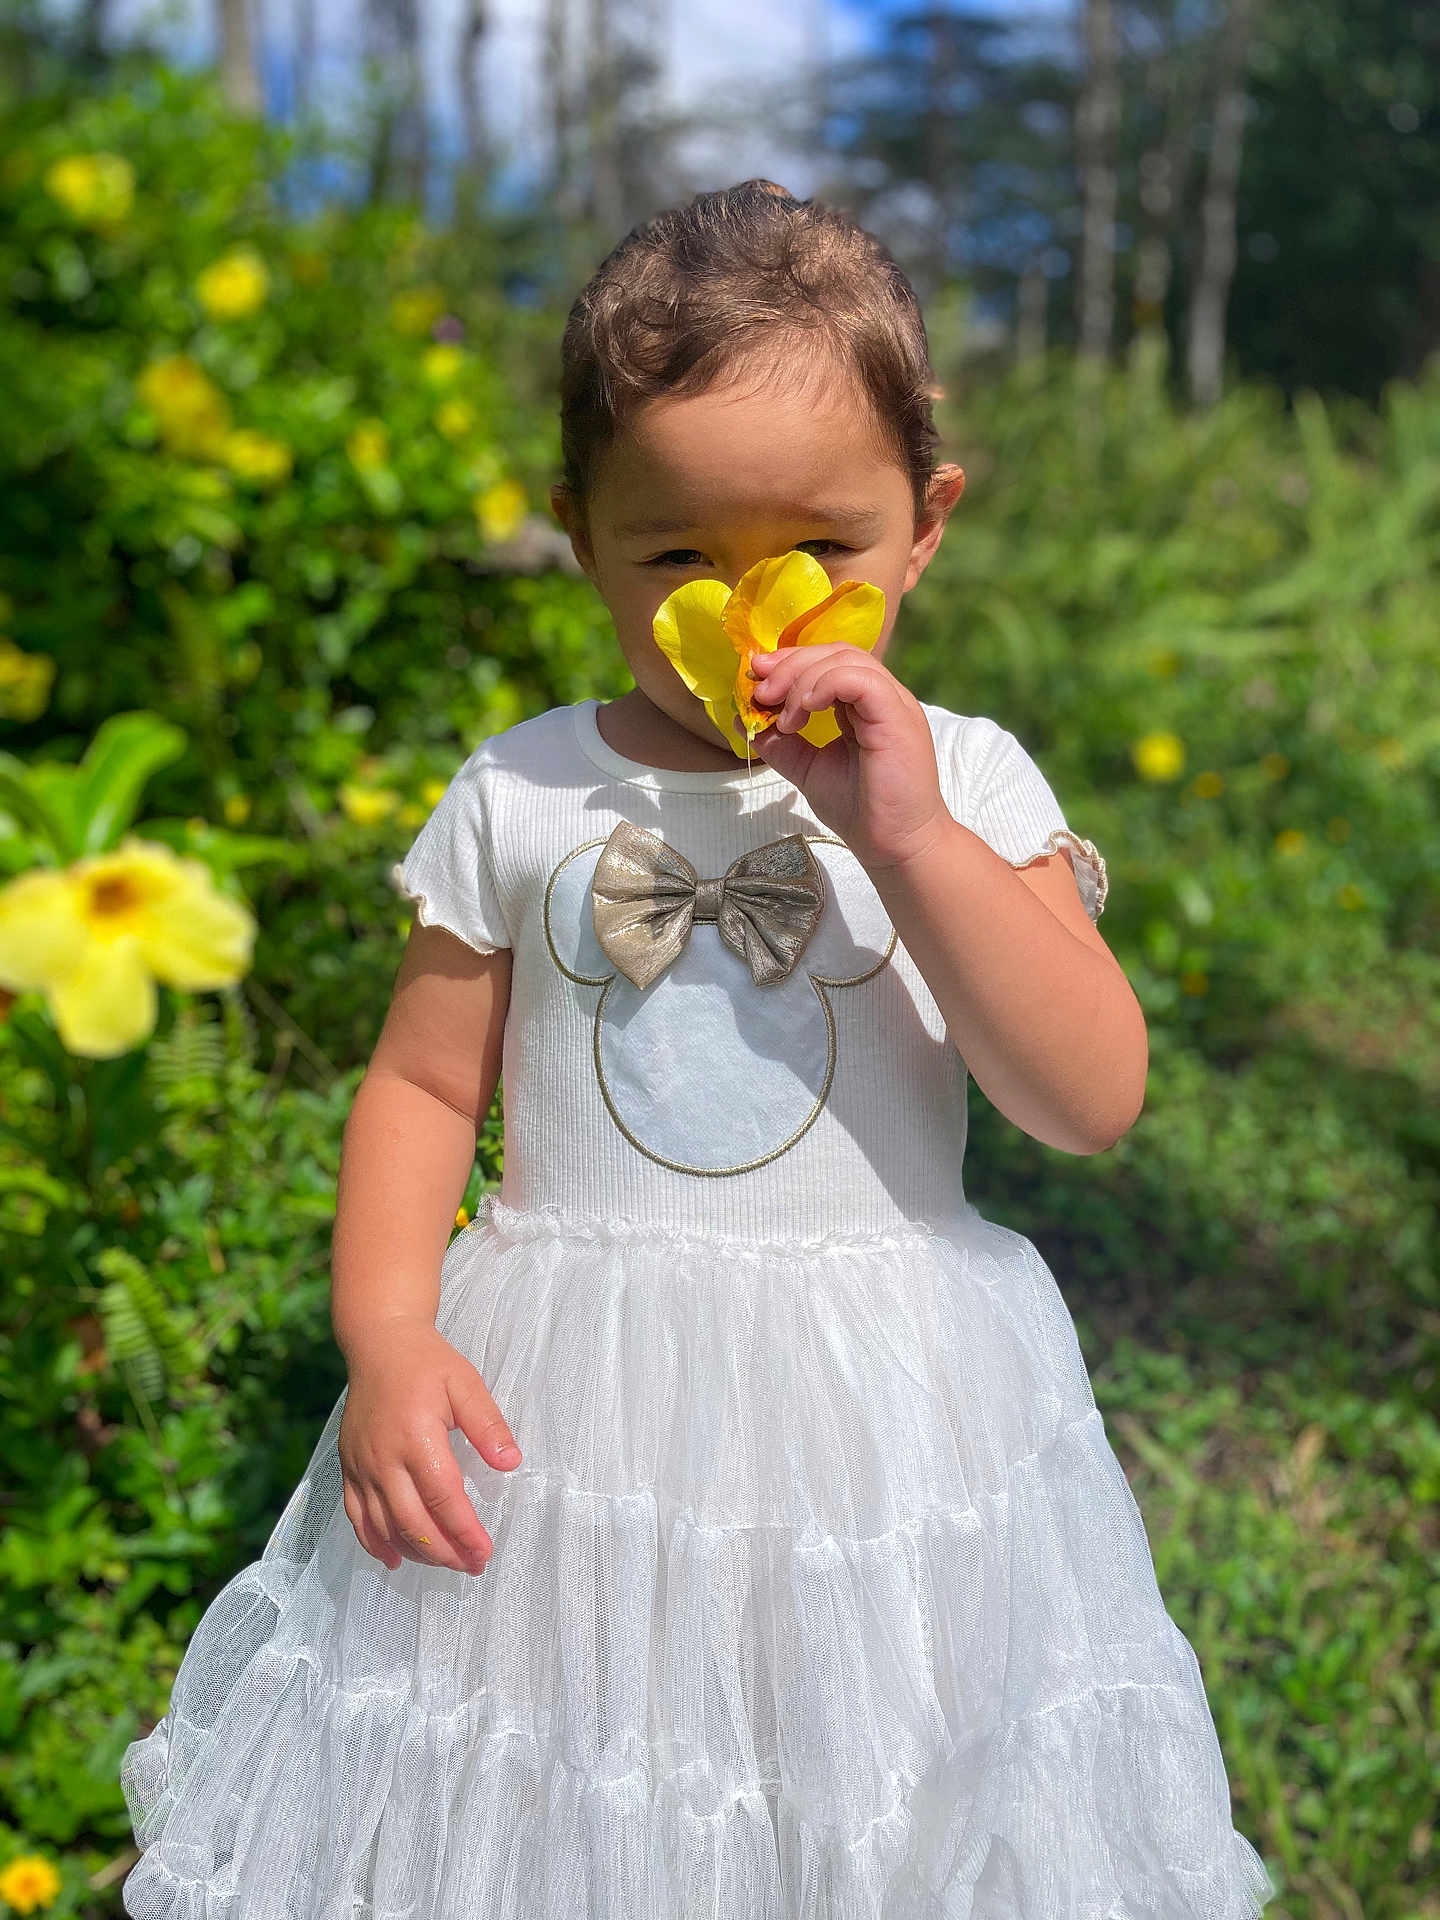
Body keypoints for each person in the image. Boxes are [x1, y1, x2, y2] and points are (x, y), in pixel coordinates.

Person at [119, 179, 1276, 1919]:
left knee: (874, 1779)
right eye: (678, 557)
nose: (751, 613)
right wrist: (386, 1336)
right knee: (567, 1790)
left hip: (889, 1408)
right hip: (567, 1405)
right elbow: (426, 1084)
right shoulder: (524, 788)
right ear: (580, 532)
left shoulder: (962, 780)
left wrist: (911, 842)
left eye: (825, 548)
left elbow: (1088, 1097)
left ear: (927, 525)